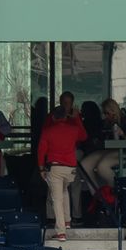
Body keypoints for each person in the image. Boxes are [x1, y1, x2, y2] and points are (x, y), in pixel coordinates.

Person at [35, 97, 88, 233]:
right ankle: (68, 221)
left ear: (53, 117)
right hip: (70, 169)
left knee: (56, 198)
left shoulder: (48, 131)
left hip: (55, 168)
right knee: (64, 191)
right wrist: (76, 119)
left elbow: (41, 151)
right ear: (65, 116)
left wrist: (41, 168)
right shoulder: (73, 129)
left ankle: (61, 232)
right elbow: (83, 136)